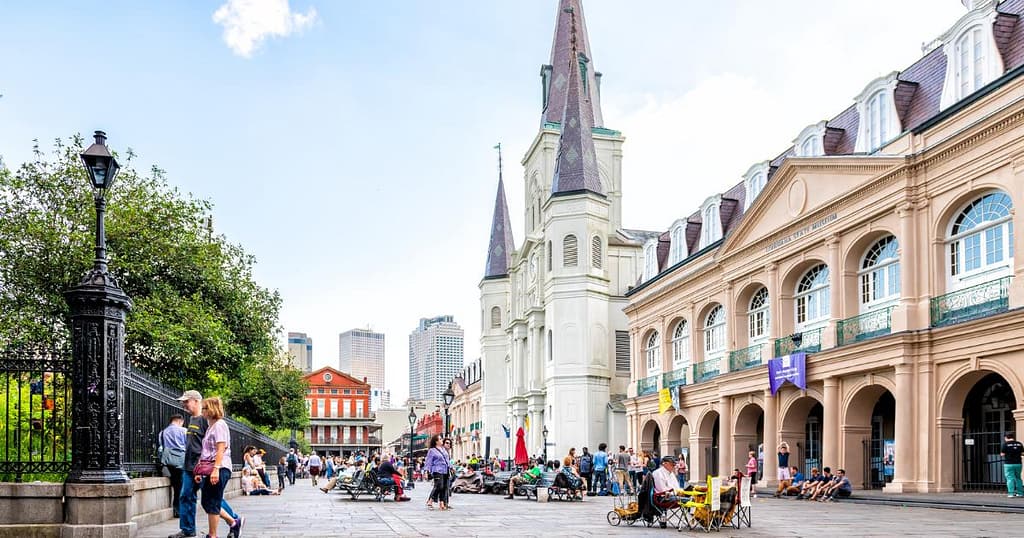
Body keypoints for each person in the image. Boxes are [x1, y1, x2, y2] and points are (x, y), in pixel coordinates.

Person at [169, 390, 242, 538]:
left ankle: (232, 520)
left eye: (186, 401)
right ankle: (188, 529)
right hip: (193, 466)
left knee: (212, 499)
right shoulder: (193, 419)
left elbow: (219, 446)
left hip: (206, 467)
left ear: (196, 401)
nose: (184, 405)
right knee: (189, 497)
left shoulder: (207, 421)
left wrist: (212, 468)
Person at [196, 396, 242, 538]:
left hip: (219, 468)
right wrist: (199, 469)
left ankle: (212, 535)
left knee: (214, 502)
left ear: (211, 409)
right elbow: (206, 451)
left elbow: (220, 448)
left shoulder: (220, 425)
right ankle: (233, 521)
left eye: (204, 408)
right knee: (206, 502)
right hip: (210, 468)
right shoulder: (211, 426)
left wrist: (216, 469)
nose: (202, 411)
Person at [159, 414, 187, 518]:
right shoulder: (184, 431)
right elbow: (188, 445)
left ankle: (177, 508)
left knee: (176, 484)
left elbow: (161, 446)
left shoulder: (163, 432)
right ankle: (179, 509)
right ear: (181, 421)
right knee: (180, 486)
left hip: (168, 461)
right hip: (181, 461)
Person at [425, 434, 451, 510]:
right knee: (439, 485)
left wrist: (451, 467)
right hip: (437, 470)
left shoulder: (443, 449)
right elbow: (428, 462)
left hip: (445, 470)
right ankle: (430, 500)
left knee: (444, 487)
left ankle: (442, 503)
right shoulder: (432, 450)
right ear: (436, 441)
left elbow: (447, 460)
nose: (441, 440)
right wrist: (426, 471)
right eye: (440, 439)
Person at [1001, 432, 1024, 498]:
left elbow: (1002, 454)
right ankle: (1020, 493)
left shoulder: (1005, 444)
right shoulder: (1019, 444)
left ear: (1006, 437)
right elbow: (1022, 453)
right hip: (1018, 463)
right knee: (1018, 478)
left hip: (1009, 464)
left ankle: (1011, 493)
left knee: (1010, 478)